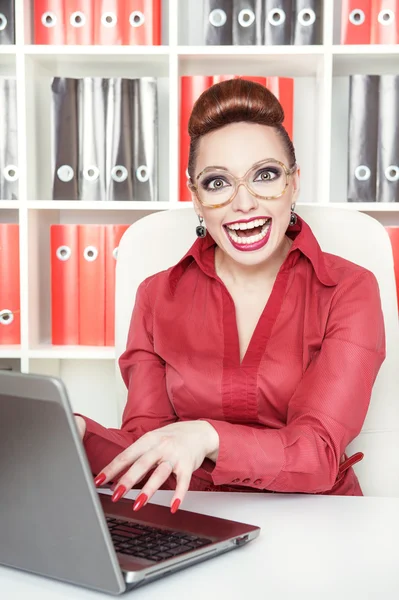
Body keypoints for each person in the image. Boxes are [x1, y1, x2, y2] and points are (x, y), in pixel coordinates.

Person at [75, 78, 386, 514]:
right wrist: (73, 435)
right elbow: (149, 447)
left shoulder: (349, 289)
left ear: (294, 184)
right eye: (218, 182)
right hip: (192, 515)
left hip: (320, 523)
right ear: (196, 199)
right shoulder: (156, 296)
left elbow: (317, 453)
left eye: (265, 175)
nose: (244, 203)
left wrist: (208, 435)